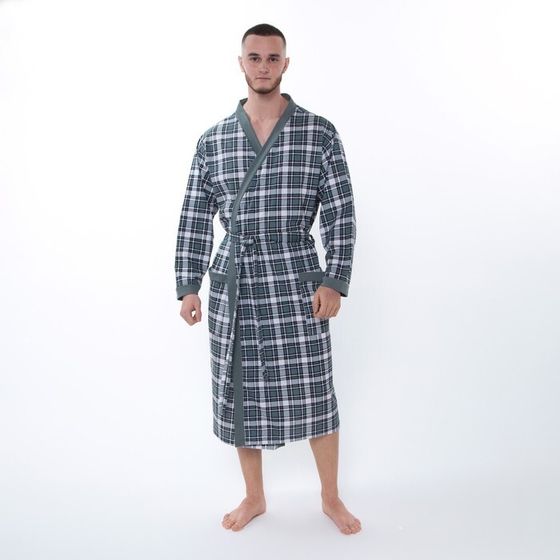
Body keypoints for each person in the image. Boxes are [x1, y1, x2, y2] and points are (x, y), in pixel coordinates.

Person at [175, 23, 360, 535]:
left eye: (272, 58)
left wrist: (334, 278)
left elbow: (340, 212)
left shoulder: (319, 133)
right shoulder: (213, 140)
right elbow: (194, 216)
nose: (263, 66)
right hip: (235, 279)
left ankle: (330, 497)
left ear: (285, 64)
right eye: (254, 57)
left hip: (297, 275)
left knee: (315, 387)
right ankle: (254, 496)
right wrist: (189, 284)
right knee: (239, 391)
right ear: (241, 63)